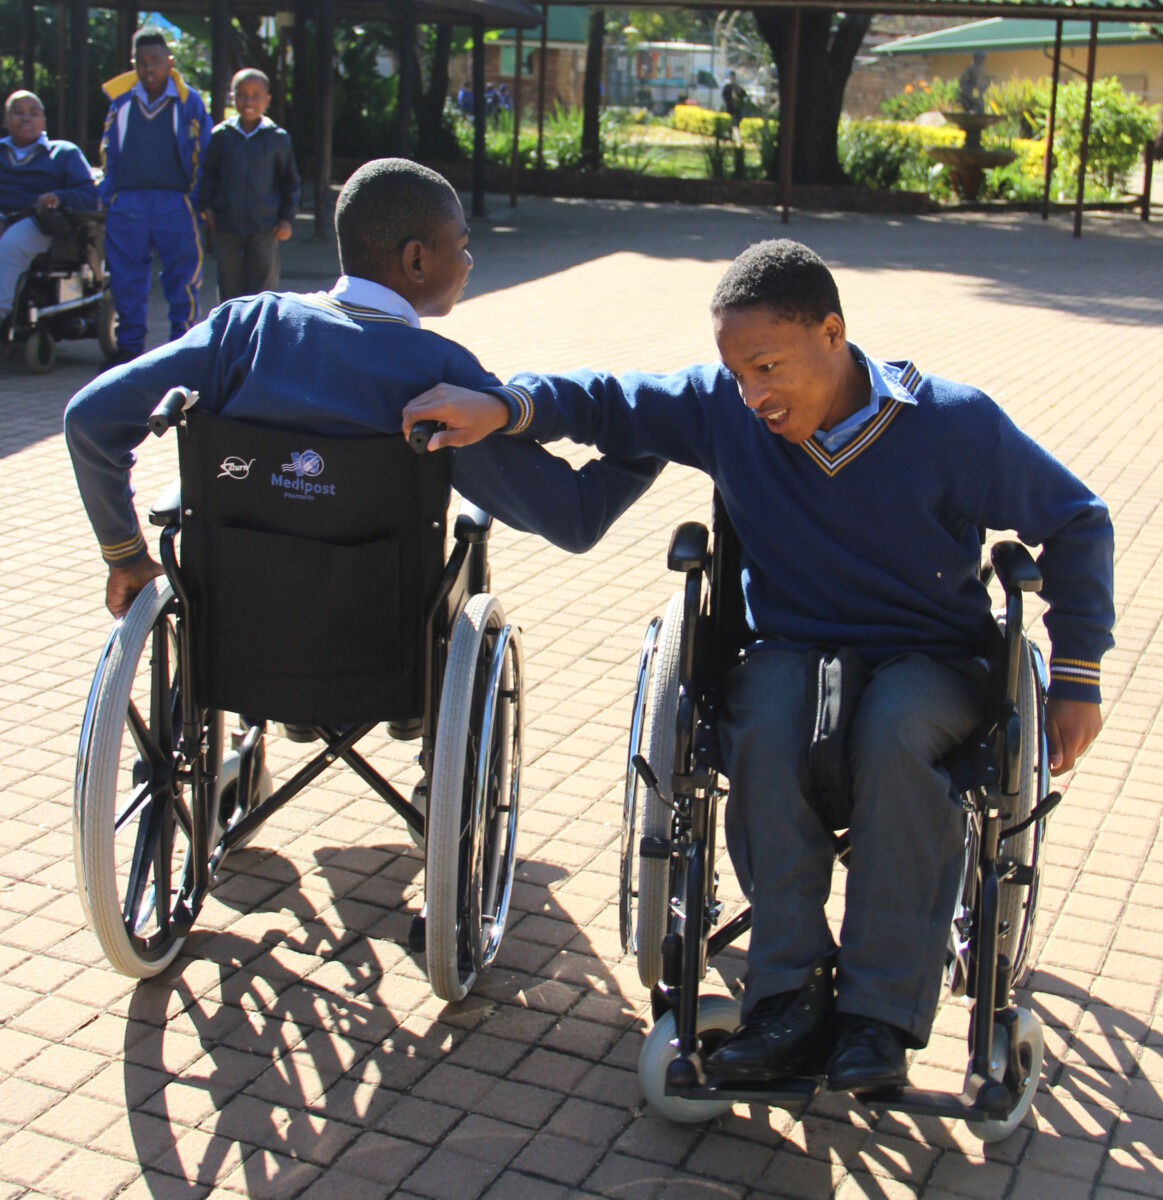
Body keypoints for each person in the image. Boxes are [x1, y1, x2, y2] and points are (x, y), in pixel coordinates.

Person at [401, 238, 1115, 1093]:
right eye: (737, 373)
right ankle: (789, 996)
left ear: (831, 333)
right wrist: (503, 407)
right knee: (760, 725)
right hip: (791, 650)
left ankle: (877, 1018)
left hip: (929, 655)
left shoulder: (951, 424)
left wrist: (1076, 675)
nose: (753, 395)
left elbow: (1077, 520)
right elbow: (608, 403)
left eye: (768, 366)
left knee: (893, 738)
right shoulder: (724, 410)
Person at [64, 158, 660, 620]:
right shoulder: (441, 379)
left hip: (232, 625)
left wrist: (126, 556)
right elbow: (574, 517)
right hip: (380, 644)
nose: (472, 259)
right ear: (417, 261)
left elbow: (89, 419)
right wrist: (657, 425)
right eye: (462, 243)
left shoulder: (245, 330)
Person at [98, 27, 211, 363]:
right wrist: (109, 194)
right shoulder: (121, 101)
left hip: (175, 202)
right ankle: (129, 348)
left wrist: (194, 197)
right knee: (126, 277)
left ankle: (183, 347)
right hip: (128, 202)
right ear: (134, 63)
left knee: (183, 276)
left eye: (156, 61)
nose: (149, 69)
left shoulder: (187, 101)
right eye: (142, 62)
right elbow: (109, 150)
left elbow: (203, 151)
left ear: (169, 61)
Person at [0, 89, 98, 329]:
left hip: (41, 222)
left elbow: (90, 195)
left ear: (43, 122)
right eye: (18, 112)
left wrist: (59, 197)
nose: (25, 118)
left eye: (33, 113)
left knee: (11, 245)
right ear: (5, 119)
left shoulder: (63, 153)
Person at [200, 68, 300, 302]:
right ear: (232, 97)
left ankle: (260, 337)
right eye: (242, 94)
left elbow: (290, 181)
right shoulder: (221, 136)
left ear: (267, 100)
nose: (248, 101)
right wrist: (207, 207)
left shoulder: (277, 138)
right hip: (227, 227)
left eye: (256, 95)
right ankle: (233, 337)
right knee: (229, 291)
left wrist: (287, 218)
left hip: (265, 228)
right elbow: (209, 175)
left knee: (263, 292)